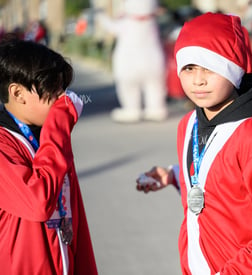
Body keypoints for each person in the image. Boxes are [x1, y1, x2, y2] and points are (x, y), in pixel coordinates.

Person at [136, 12, 252, 274]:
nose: (198, 79)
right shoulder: (189, 124)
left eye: (210, 67)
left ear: (234, 70)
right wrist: (175, 175)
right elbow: (220, 180)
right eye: (189, 67)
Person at [0, 37, 98, 274]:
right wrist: (61, 121)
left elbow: (75, 213)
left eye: (63, 88)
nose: (61, 97)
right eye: (52, 88)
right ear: (18, 93)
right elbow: (38, 203)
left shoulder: (49, 136)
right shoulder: (9, 144)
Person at [97, 0, 168, 123]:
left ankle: (132, 110)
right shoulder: (151, 22)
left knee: (129, 88)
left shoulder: (126, 22)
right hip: (153, 61)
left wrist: (101, 16)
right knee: (155, 86)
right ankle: (156, 109)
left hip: (129, 63)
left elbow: (111, 27)